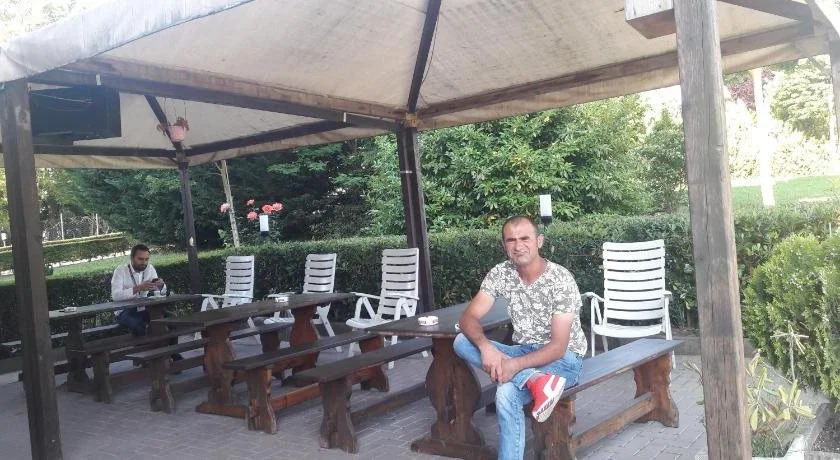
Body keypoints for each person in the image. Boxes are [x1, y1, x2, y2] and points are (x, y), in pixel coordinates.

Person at [454, 216, 587, 460]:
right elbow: (468, 318)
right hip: (525, 351)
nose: (518, 246)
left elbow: (558, 347)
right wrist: (485, 347)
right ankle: (534, 380)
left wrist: (514, 365)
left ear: (539, 241)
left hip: (565, 360)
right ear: (504, 245)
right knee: (461, 341)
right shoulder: (501, 273)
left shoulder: (560, 279)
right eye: (511, 240)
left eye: (525, 238)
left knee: (506, 393)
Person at [111, 244, 166, 336]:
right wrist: (138, 288)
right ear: (132, 258)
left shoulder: (150, 268)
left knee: (170, 319)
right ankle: (148, 344)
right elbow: (116, 296)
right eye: (140, 259)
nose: (144, 262)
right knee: (139, 325)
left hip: (144, 308)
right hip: (125, 311)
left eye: (146, 259)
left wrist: (161, 286)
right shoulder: (120, 271)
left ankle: (165, 345)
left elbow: (158, 292)